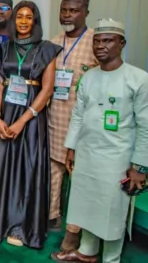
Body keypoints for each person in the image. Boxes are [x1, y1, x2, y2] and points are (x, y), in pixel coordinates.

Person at [51, 19, 148, 263]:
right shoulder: (89, 77)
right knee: (86, 206)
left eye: (108, 40)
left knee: (111, 211)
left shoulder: (138, 79)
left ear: (121, 43)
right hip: (86, 153)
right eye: (97, 41)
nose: (101, 46)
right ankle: (86, 251)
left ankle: (111, 258)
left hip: (117, 159)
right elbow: (78, 115)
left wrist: (139, 167)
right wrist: (71, 148)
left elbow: (146, 126)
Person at [0, 0, 62, 249]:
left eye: (29, 17)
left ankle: (22, 227)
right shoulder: (4, 48)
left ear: (35, 21)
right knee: (4, 167)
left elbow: (47, 89)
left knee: (27, 170)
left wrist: (22, 120)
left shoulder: (46, 49)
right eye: (19, 17)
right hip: (6, 112)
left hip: (31, 117)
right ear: (13, 20)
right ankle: (1, 221)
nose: (24, 21)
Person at [47, 0, 98, 251]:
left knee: (78, 179)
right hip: (55, 119)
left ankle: (75, 230)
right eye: (64, 10)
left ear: (85, 12)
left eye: (74, 10)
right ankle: (52, 216)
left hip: (83, 126)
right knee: (53, 173)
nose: (67, 15)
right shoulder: (54, 43)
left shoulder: (95, 42)